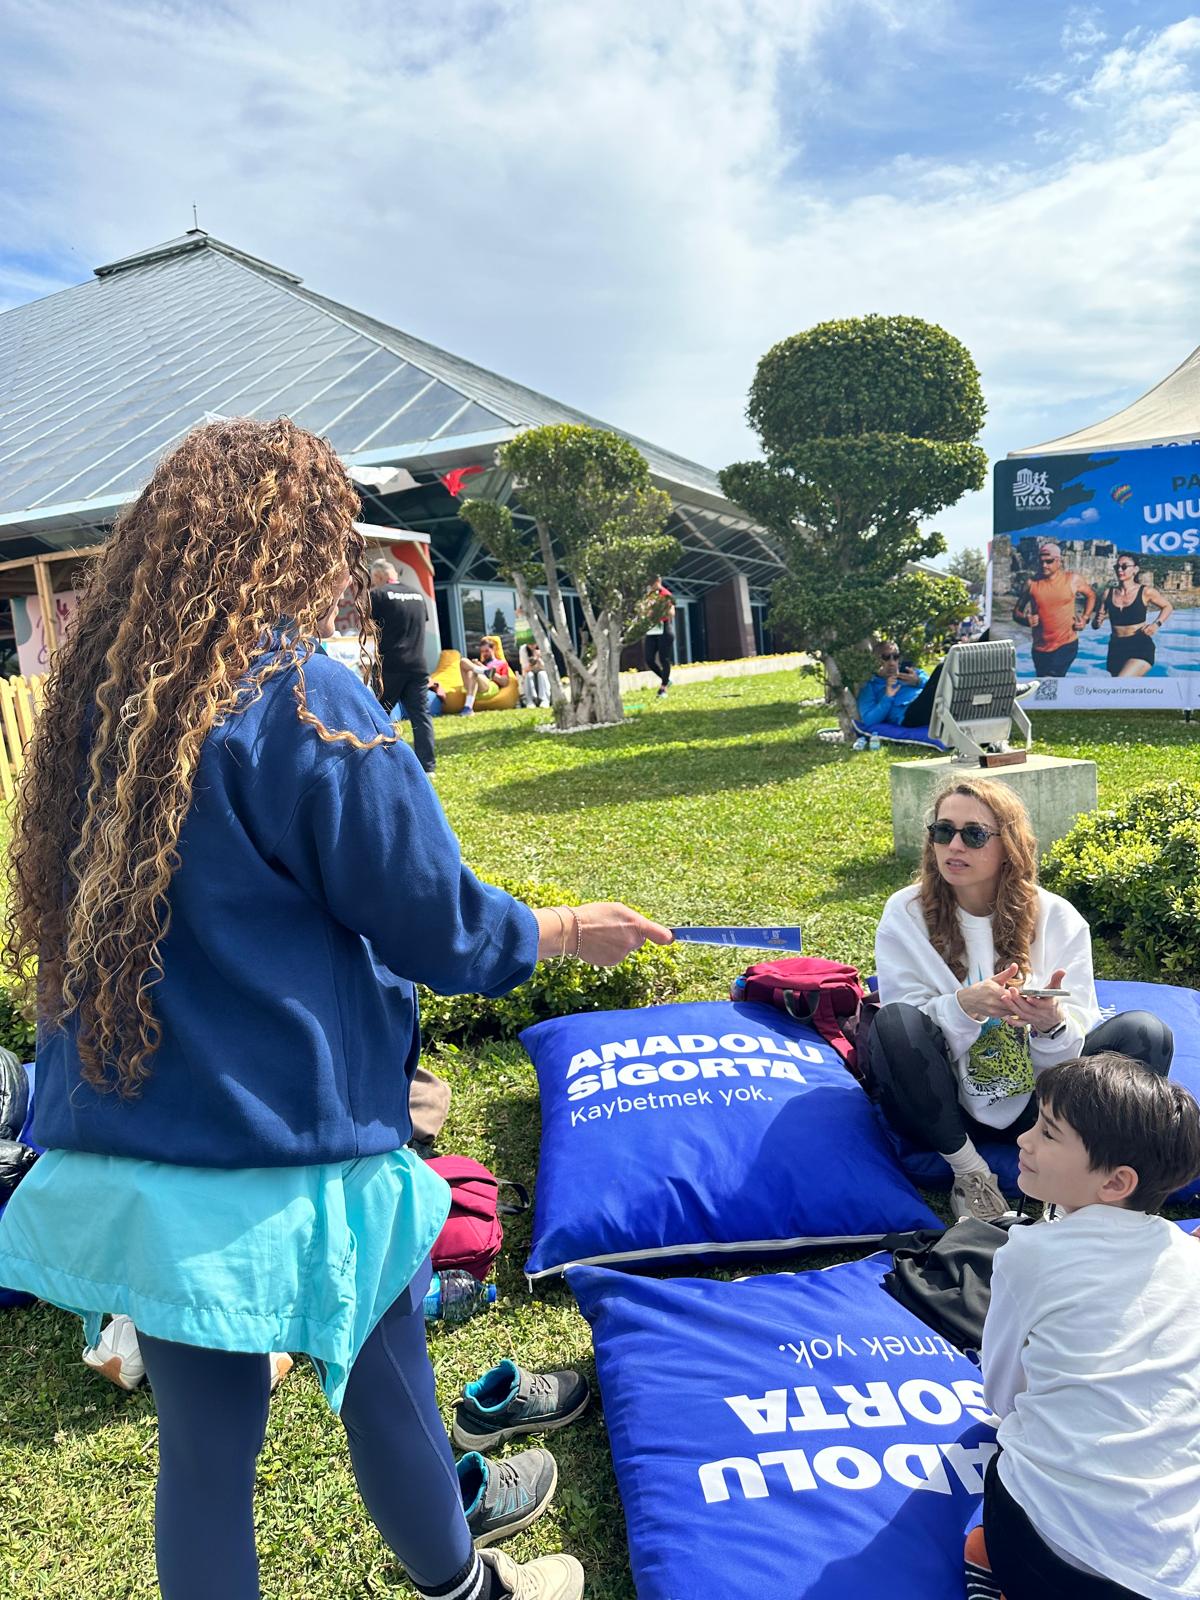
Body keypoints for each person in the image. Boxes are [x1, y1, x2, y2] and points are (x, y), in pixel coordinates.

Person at [0, 417, 672, 1600]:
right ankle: (470, 1588)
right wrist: (564, 927)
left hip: (143, 1151)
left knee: (203, 1454)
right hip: (297, 1149)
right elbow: (435, 921)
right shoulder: (305, 699)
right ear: (298, 542)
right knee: (390, 1391)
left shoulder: (104, 712)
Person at [870, 777, 1174, 1223]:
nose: (954, 845)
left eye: (974, 834)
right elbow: (904, 1032)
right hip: (943, 1106)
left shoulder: (1057, 917)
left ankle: (1071, 1185)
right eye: (943, 831)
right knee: (894, 1022)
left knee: (1146, 1033)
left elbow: (1078, 1046)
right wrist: (964, 1007)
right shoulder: (906, 912)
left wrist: (1051, 1026)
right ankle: (971, 1174)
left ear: (1008, 845)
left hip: (1048, 1108)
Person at [975, 1054, 1200, 1599]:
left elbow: (1002, 1395)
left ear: (1116, 1182)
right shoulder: (1188, 1258)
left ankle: (995, 1571)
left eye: (1048, 1133)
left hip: (1050, 1557)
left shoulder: (1030, 1253)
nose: (1024, 1140)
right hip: (1172, 1581)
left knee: (1005, 1465)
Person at [368, 558, 436, 774]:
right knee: (421, 715)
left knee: (379, 714)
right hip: (418, 664)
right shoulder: (417, 595)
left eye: (373, 580)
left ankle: (380, 762)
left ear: (378, 576)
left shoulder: (378, 595)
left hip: (390, 664)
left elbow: (368, 626)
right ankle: (428, 766)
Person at [1012, 542, 1095, 677]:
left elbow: (1091, 595)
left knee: (1051, 679)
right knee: (1045, 686)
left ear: (1059, 561)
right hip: (1040, 648)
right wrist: (1025, 620)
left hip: (1066, 644)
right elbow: (1016, 612)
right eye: (1041, 561)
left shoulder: (1072, 580)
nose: (1044, 565)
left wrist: (1085, 618)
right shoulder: (1032, 583)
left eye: (1049, 561)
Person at [1091, 555, 1174, 678]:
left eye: (1124, 566)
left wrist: (1156, 624)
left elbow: (1167, 606)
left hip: (1140, 645)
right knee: (1122, 688)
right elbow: (1095, 624)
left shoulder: (1146, 592)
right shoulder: (1107, 594)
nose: (1120, 570)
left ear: (1135, 569)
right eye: (1117, 567)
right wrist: (1097, 621)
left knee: (1122, 681)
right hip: (1116, 647)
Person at [856, 639, 943, 731]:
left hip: (931, 704)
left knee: (944, 673)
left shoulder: (911, 672)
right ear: (875, 661)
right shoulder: (870, 686)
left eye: (895, 657)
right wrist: (888, 697)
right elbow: (869, 720)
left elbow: (932, 686)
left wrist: (918, 681)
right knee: (941, 669)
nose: (892, 663)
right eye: (886, 657)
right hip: (910, 715)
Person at [460, 637, 510, 715]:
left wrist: (483, 668)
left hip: (490, 686)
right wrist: (479, 666)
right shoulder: (479, 663)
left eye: (487, 651)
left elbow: (504, 682)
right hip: (473, 685)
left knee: (474, 672)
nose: (484, 654)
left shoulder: (501, 663)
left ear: (493, 649)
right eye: (482, 651)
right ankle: (484, 672)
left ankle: (468, 707)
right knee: (463, 661)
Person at [643, 577, 675, 697]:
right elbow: (645, 611)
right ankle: (665, 679)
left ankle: (663, 688)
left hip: (664, 627)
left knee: (664, 659)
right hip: (653, 628)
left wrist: (659, 609)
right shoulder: (649, 595)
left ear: (658, 582)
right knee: (649, 659)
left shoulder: (666, 594)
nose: (651, 586)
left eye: (652, 583)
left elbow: (672, 613)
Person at [519, 641, 553, 708]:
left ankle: (544, 700)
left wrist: (538, 658)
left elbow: (547, 668)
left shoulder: (544, 647)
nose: (532, 645)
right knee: (529, 675)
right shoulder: (523, 649)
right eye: (529, 643)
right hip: (529, 675)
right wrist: (534, 660)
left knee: (542, 674)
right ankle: (530, 701)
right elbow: (525, 669)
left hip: (542, 676)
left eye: (534, 643)